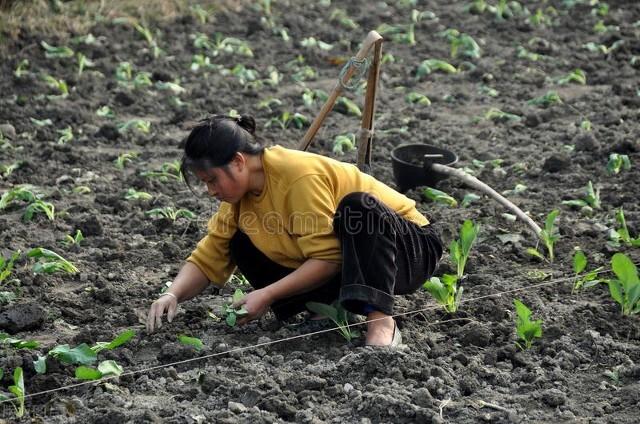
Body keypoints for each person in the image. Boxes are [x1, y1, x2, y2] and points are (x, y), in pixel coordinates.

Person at [146, 114, 443, 346]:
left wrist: (268, 294)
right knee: (238, 242)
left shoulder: (297, 176)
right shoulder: (238, 199)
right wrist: (172, 294)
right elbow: (209, 255)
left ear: (238, 162)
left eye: (212, 180)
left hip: (408, 247)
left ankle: (381, 322)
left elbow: (328, 258)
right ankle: (325, 308)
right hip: (351, 258)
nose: (210, 191)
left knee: (358, 209)